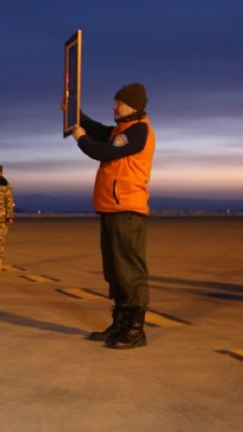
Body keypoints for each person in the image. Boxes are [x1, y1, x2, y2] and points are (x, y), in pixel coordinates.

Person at [69, 83, 155, 350]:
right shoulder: (121, 130)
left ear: (132, 105)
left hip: (127, 210)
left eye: (118, 102)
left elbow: (104, 151)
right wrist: (75, 114)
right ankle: (120, 323)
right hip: (111, 208)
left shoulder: (139, 131)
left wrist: (81, 138)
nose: (114, 107)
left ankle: (135, 329)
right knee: (115, 271)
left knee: (130, 271)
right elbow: (98, 129)